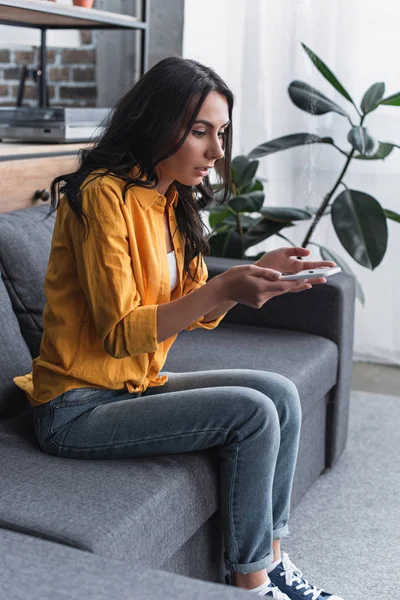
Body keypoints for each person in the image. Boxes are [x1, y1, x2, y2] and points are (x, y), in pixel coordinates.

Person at [14, 56, 345, 600]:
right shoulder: (103, 195)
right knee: (251, 411)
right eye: (200, 132)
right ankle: (250, 582)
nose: (216, 152)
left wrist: (254, 275)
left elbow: (199, 306)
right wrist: (224, 287)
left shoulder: (171, 200)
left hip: (131, 387)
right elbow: (121, 333)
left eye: (221, 134)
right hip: (75, 408)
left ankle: (273, 559)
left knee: (279, 393)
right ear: (158, 122)